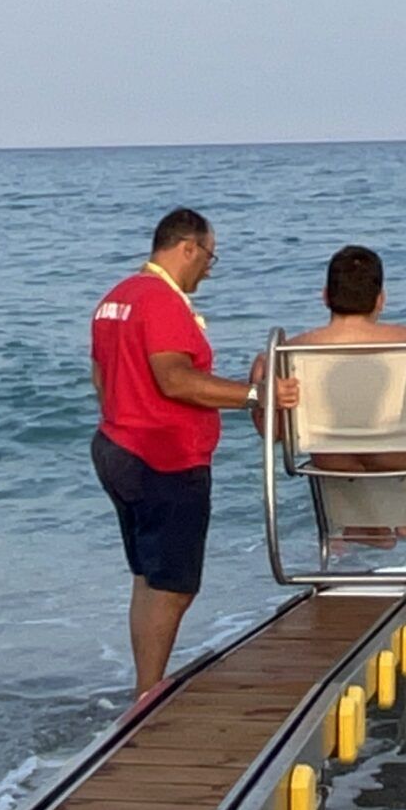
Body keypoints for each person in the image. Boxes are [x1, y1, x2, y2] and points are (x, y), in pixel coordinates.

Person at [89, 208, 298, 701]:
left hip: (116, 446)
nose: (209, 267)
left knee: (148, 575)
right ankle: (147, 692)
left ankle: (146, 686)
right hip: (163, 457)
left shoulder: (115, 299)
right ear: (188, 247)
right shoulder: (162, 302)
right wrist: (256, 395)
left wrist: (126, 414)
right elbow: (175, 378)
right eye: (210, 256)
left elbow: (101, 378)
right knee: (175, 584)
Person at [276, 244, 406, 473]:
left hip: (331, 465)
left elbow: (271, 431)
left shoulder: (289, 351)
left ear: (325, 297)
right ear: (381, 299)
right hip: (400, 463)